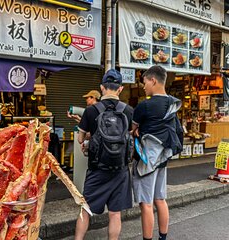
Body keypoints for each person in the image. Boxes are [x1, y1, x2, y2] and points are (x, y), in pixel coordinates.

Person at [75, 69, 133, 240]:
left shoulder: (92, 111)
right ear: (120, 89)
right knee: (115, 214)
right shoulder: (128, 111)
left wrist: (88, 137)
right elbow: (129, 136)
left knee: (85, 210)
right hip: (120, 170)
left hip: (97, 169)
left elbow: (80, 139)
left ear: (101, 88)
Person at [131, 65, 183, 240]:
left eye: (145, 82)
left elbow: (133, 130)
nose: (144, 86)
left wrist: (136, 131)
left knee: (146, 204)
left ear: (153, 80)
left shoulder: (144, 105)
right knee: (160, 199)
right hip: (163, 158)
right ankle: (163, 237)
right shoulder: (172, 104)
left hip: (147, 159)